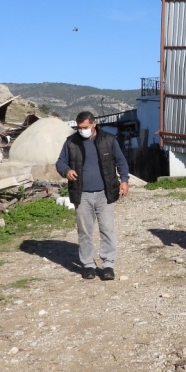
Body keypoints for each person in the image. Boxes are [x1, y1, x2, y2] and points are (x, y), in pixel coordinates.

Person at [56, 111, 130, 280]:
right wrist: (66, 170)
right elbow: (60, 162)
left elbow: (121, 161)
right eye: (79, 128)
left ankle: (108, 265)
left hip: (105, 193)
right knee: (85, 231)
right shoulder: (71, 142)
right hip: (82, 194)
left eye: (85, 127)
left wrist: (124, 180)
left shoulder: (109, 140)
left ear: (94, 124)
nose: (82, 130)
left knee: (107, 229)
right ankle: (88, 265)